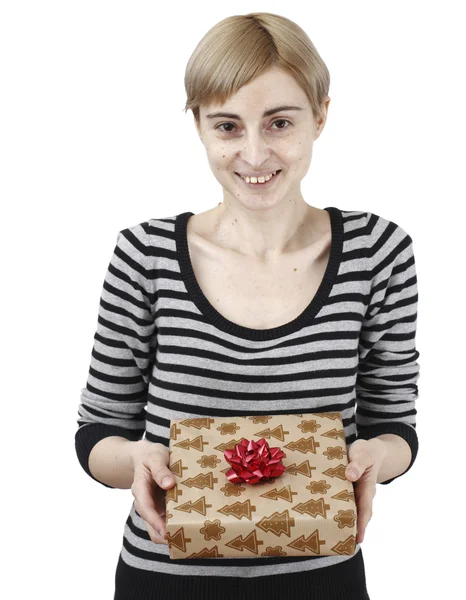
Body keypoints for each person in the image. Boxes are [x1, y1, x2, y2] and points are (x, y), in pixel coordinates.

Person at [75, 12, 420, 600]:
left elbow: (396, 426)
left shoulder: (378, 251)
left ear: (321, 115)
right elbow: (98, 433)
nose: (255, 154)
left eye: (279, 122)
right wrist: (137, 460)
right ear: (200, 127)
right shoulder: (146, 254)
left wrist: (372, 457)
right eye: (228, 126)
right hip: (164, 580)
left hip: (324, 580)